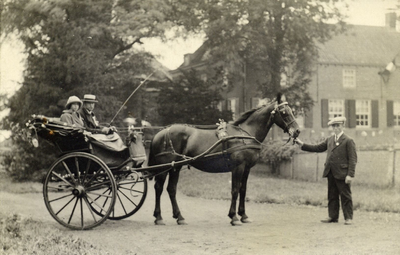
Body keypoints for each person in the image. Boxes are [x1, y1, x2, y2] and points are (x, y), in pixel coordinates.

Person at [294, 116, 357, 225]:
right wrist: (302, 145)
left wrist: (350, 174)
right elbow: (317, 148)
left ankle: (348, 218)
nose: (336, 128)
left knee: (345, 196)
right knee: (332, 195)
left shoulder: (348, 140)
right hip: (330, 172)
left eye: (338, 125)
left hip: (342, 173)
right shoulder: (330, 139)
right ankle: (333, 217)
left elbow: (353, 159)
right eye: (334, 126)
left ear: (343, 126)